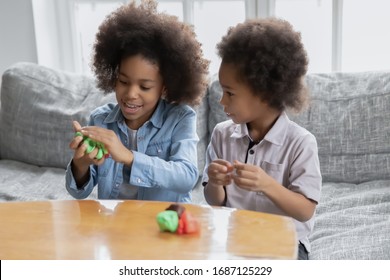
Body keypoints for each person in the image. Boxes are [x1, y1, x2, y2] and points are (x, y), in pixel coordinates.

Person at [65, 0, 209, 203]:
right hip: (116, 225)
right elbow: (79, 192)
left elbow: (186, 177)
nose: (131, 94)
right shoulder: (101, 119)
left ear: (165, 87)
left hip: (162, 225)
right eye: (124, 81)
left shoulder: (180, 118)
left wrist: (128, 156)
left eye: (145, 87)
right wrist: (80, 164)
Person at [202, 18, 321, 260]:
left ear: (266, 93)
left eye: (230, 93)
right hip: (233, 237)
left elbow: (305, 210)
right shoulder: (222, 135)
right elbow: (215, 202)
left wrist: (267, 184)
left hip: (284, 240)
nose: (221, 101)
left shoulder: (301, 143)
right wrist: (215, 183)